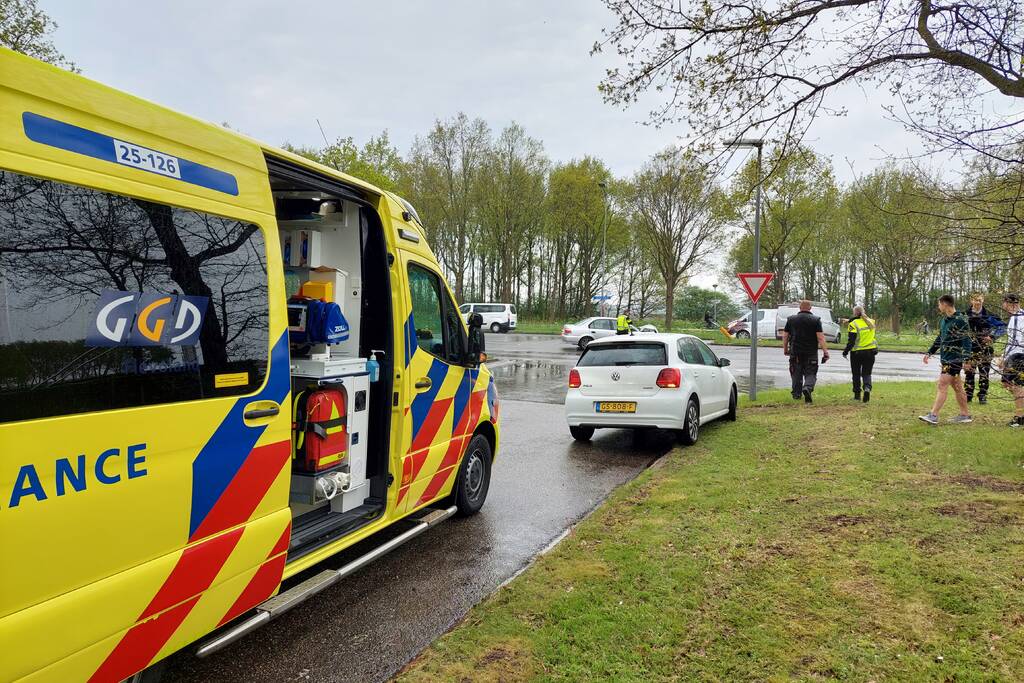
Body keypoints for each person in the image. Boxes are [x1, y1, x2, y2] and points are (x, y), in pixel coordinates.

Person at [919, 294, 973, 425]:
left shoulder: (961, 319)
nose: (938, 307)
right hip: (945, 358)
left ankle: (933, 415)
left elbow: (966, 340)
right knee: (958, 387)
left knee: (942, 384)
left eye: (939, 304)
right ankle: (965, 415)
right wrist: (929, 352)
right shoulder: (944, 320)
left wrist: (967, 359)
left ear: (945, 304)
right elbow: (940, 339)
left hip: (955, 358)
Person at [782, 300, 830, 403]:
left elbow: (785, 336)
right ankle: (807, 388)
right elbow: (820, 338)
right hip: (811, 353)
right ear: (810, 308)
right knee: (811, 373)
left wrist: (785, 349)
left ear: (799, 308)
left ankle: (796, 394)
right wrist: (825, 352)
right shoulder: (816, 320)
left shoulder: (791, 320)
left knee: (796, 373)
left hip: (795, 352)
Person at [996, 293, 1024, 427]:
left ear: (1009, 303)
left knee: (1012, 384)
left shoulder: (1018, 318)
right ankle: (1020, 416)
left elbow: (1014, 342)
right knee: (1010, 383)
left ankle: (1020, 418)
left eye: (1004, 303)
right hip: (1016, 355)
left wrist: (1004, 358)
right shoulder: (1017, 316)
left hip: (1018, 355)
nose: (1003, 306)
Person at [842, 305, 877, 402]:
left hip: (856, 353)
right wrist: (849, 320)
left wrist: (845, 351)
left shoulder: (853, 324)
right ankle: (867, 388)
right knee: (867, 373)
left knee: (856, 374)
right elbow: (861, 320)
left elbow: (851, 341)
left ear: (854, 313)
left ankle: (857, 395)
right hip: (870, 351)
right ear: (863, 311)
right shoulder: (872, 322)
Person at [964, 293, 994, 404]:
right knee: (969, 373)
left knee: (984, 373)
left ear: (983, 300)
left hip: (985, 349)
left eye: (979, 300)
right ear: (971, 301)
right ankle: (968, 395)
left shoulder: (989, 315)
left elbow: (1002, 326)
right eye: (975, 300)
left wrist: (991, 336)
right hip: (970, 348)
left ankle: (982, 396)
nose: (977, 302)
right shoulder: (965, 315)